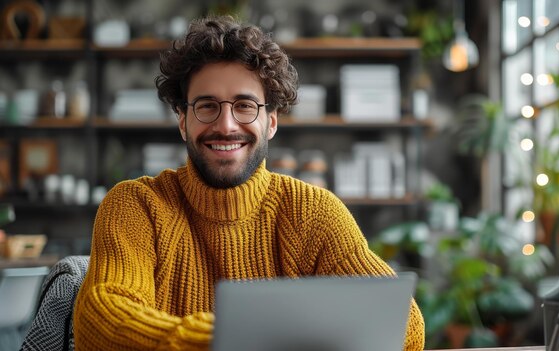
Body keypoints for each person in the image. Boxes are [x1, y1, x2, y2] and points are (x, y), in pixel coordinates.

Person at [73, 14, 425, 350]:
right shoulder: (136, 205)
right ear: (183, 121)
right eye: (207, 106)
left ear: (271, 122)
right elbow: (100, 323)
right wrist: (243, 340)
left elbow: (405, 326)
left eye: (245, 106)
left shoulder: (313, 212)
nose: (226, 125)